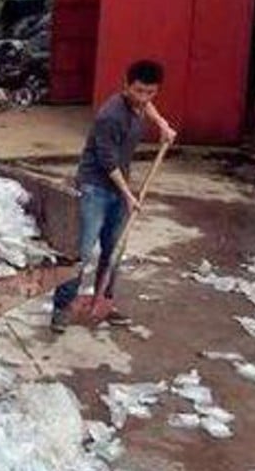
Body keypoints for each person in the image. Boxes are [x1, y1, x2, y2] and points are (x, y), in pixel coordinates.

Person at [51, 60, 176, 334]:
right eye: (139, 91)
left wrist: (162, 124)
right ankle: (61, 308)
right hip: (95, 187)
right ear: (126, 85)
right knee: (80, 252)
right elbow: (107, 163)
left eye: (150, 92)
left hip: (120, 189)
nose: (144, 97)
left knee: (114, 250)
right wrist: (128, 195)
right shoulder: (110, 115)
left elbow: (147, 107)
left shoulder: (141, 104)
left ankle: (103, 301)